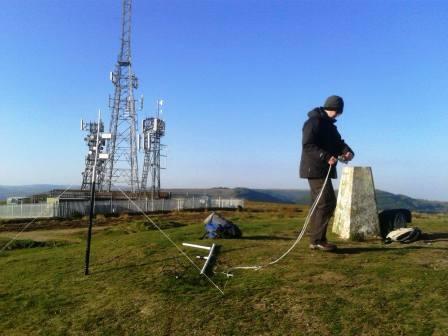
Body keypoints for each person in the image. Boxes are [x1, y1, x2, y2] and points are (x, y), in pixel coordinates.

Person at [299, 95, 354, 251]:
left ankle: (315, 240)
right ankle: (318, 240)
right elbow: (308, 145)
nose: (337, 115)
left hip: (323, 169)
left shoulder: (330, 126)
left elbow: (339, 143)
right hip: (314, 169)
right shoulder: (313, 122)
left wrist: (348, 152)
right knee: (327, 202)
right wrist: (325, 156)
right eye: (337, 111)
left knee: (318, 204)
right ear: (332, 108)